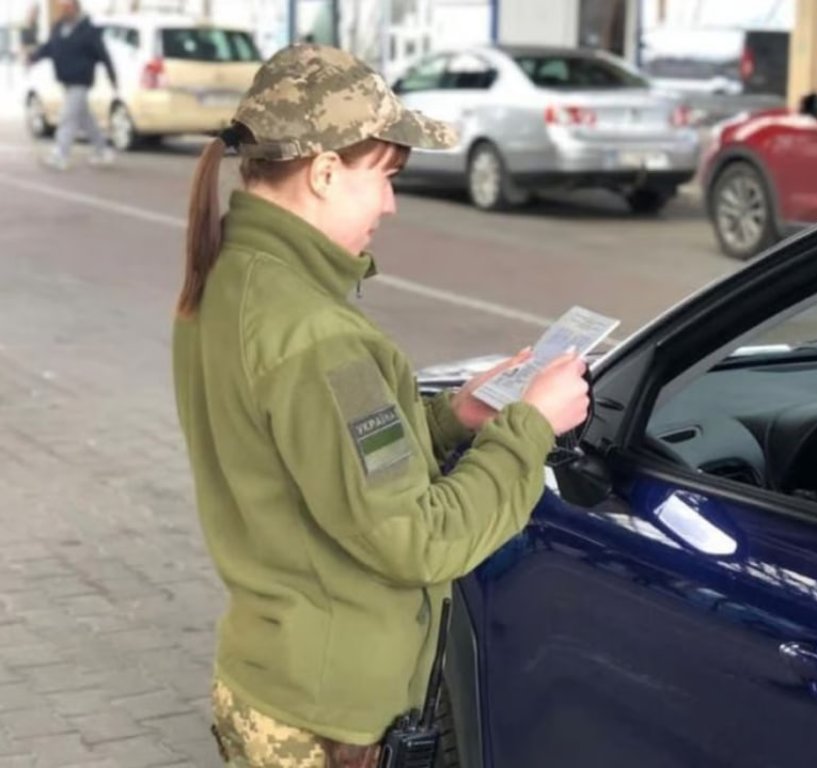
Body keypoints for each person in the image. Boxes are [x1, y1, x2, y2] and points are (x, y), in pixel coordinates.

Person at [171, 43, 590, 766]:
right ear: (325, 172)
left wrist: (453, 417)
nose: (392, 204)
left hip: (272, 677)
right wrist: (530, 426)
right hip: (329, 715)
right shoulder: (317, 334)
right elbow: (418, 540)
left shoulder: (232, 277)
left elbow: (316, 456)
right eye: (386, 177)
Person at [25, 0, 117, 170]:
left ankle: (60, 155)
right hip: (66, 80)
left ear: (76, 8)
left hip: (81, 80)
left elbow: (103, 54)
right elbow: (49, 47)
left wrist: (112, 77)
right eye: (62, 7)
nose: (64, 10)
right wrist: (33, 57)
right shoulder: (59, 27)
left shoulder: (88, 30)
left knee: (67, 117)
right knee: (85, 118)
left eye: (67, 7)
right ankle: (103, 150)